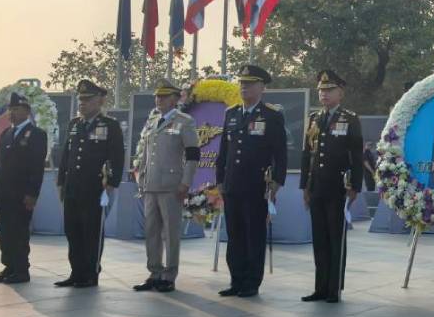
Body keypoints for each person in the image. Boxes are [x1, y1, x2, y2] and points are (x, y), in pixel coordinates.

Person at [215, 64, 287, 297]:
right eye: (242, 83)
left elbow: (280, 153)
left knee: (253, 235)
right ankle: (236, 279)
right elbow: (224, 151)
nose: (244, 87)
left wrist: (276, 182)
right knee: (234, 235)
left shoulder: (271, 115)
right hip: (232, 185)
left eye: (249, 83)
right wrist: (219, 180)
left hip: (257, 186)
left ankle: (251, 282)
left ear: (262, 87)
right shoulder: (232, 114)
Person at [300, 70, 363, 303]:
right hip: (316, 186)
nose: (324, 94)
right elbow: (308, 154)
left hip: (338, 186)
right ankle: (320, 287)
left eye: (329, 90)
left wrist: (355, 185)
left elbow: (356, 155)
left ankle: (334, 288)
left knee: (336, 237)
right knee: (319, 238)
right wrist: (304, 186)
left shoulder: (349, 118)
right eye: (321, 91)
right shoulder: (315, 118)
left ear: (340, 93)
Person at [132, 79, 200, 293]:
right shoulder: (152, 121)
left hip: (172, 184)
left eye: (163, 96)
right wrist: (140, 176)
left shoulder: (185, 121)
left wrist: (186, 182)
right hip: (151, 184)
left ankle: (169, 275)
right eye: (157, 96)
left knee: (170, 233)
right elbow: (144, 153)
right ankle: (154, 272)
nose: (158, 100)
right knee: (151, 231)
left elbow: (192, 155)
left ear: (174, 98)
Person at [55, 80, 124, 288]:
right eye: (80, 100)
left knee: (91, 231)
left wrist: (111, 182)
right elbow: (66, 155)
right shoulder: (74, 124)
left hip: (95, 188)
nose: (82, 104)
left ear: (99, 101)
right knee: (72, 230)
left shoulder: (109, 126)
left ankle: (91, 273)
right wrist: (61, 181)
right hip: (73, 187)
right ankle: (76, 272)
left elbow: (117, 156)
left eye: (87, 100)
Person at [0, 93, 48, 284]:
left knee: (19, 231)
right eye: (10, 110)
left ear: (27, 112)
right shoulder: (6, 134)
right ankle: (9, 266)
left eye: (16, 109)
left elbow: (37, 167)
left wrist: (32, 194)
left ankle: (21, 269)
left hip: (21, 195)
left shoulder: (36, 135)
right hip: (4, 193)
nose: (12, 113)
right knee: (5, 232)